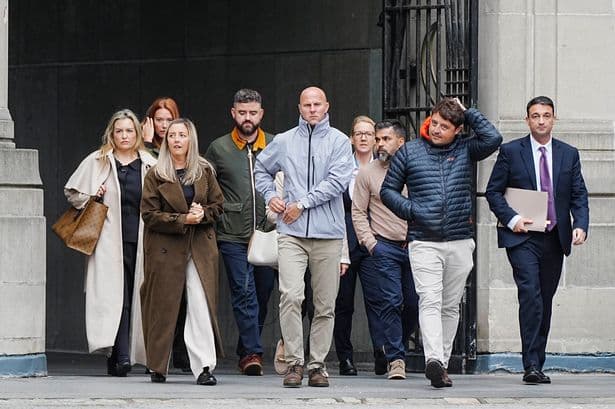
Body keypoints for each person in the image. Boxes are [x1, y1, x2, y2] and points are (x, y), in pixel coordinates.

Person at [381, 97, 502, 388]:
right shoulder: (409, 151)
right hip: (424, 240)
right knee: (430, 299)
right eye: (434, 122)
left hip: (460, 240)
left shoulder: (466, 148)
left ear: (457, 130)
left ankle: (441, 364)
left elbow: (493, 138)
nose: (436, 129)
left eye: (444, 126)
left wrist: (468, 112)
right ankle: (433, 359)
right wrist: (412, 211)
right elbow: (388, 191)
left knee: (449, 305)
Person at [485, 96, 589, 385]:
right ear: (527, 120)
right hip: (523, 237)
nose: (541, 120)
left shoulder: (569, 154)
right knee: (530, 294)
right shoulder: (511, 151)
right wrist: (513, 219)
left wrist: (581, 224)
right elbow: (493, 192)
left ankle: (537, 361)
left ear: (554, 118)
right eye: (535, 116)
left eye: (546, 115)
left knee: (544, 298)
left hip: (555, 237)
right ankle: (531, 365)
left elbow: (579, 194)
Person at [254, 86, 354, 388]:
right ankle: (294, 363)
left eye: (317, 104)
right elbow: (261, 169)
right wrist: (271, 195)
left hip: (328, 234)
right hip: (291, 233)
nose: (312, 109)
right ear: (299, 108)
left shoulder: (339, 141)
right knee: (290, 296)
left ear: (327, 106)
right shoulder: (284, 141)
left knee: (325, 304)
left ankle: (318, 365)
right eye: (307, 105)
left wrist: (303, 203)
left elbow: (338, 182)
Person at [63, 109, 156, 376]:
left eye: (129, 131)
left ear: (137, 134)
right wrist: (93, 194)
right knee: (116, 296)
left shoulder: (149, 163)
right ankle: (122, 355)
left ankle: (120, 355)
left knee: (136, 294)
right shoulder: (99, 160)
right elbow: (73, 192)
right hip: (106, 240)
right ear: (111, 134)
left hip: (140, 239)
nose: (124, 136)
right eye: (119, 131)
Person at [140, 118, 224, 385]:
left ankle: (204, 367)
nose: (176, 140)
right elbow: (149, 214)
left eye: (182, 135)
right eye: (172, 135)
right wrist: (182, 219)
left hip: (199, 246)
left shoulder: (204, 170)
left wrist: (202, 213)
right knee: (163, 305)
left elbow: (218, 205)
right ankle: (158, 365)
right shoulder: (156, 173)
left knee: (200, 304)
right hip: (166, 247)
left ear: (191, 140)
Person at [204, 89, 276, 375]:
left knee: (263, 292)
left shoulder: (275, 144)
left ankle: (247, 345)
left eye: (253, 113)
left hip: (267, 231)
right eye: (242, 112)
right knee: (244, 291)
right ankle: (252, 353)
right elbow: (207, 186)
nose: (248, 118)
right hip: (232, 234)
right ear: (233, 113)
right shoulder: (219, 148)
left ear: (261, 114)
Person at [352, 119, 419, 380]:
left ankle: (391, 344)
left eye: (385, 139)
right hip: (384, 247)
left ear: (400, 142)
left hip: (415, 246)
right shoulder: (367, 173)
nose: (379, 144)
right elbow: (358, 212)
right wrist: (371, 244)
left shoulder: (416, 169)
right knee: (391, 302)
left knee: (413, 304)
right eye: (378, 139)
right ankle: (396, 359)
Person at [333, 115, 387, 376]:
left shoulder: (384, 167)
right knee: (343, 303)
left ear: (375, 139)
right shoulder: (341, 167)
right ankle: (345, 358)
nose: (364, 138)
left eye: (368, 133)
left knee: (377, 299)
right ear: (351, 138)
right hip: (344, 240)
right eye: (359, 133)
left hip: (373, 239)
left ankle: (381, 352)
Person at [142, 96, 188, 371]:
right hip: (156, 229)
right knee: (157, 294)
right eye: (159, 120)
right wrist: (147, 144)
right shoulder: (145, 151)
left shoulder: (188, 157)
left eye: (169, 120)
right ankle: (157, 357)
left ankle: (181, 352)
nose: (163, 125)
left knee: (184, 296)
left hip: (183, 231)